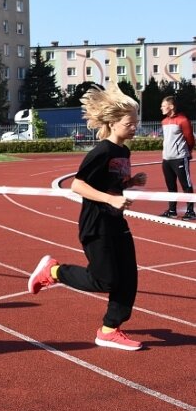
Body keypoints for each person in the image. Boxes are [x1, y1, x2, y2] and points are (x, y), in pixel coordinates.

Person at [28, 81, 147, 351]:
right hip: (97, 225)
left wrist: (130, 183)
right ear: (114, 122)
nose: (135, 126)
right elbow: (77, 185)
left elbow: (110, 182)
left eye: (136, 121)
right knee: (105, 280)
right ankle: (53, 271)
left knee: (128, 277)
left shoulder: (123, 151)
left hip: (116, 222)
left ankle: (109, 330)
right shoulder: (101, 151)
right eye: (130, 122)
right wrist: (111, 198)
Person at [159, 96, 194, 220]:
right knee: (171, 186)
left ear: (171, 106)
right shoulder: (164, 122)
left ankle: (190, 211)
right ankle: (172, 210)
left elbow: (190, 139)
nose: (161, 108)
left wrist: (185, 152)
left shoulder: (183, 120)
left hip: (179, 158)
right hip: (166, 159)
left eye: (163, 106)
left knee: (186, 185)